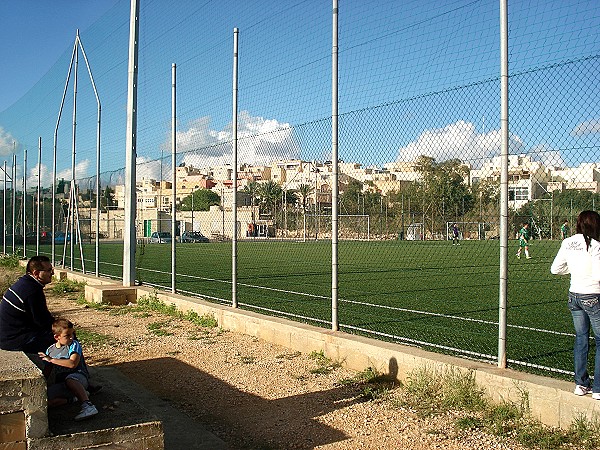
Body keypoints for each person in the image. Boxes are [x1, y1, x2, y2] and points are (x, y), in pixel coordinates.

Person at [551, 210, 600, 399]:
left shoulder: (568, 242)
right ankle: (597, 388)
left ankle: (581, 384)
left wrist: (575, 271)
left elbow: (556, 269)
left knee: (581, 338)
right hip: (593, 295)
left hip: (574, 295)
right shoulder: (596, 246)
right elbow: (597, 275)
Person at [39, 318, 98, 420]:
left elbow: (72, 364)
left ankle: (88, 405)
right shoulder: (50, 350)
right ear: (57, 337)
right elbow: (47, 370)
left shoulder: (74, 345)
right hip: (62, 383)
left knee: (70, 379)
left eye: (72, 334)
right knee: (46, 400)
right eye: (67, 335)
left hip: (78, 378)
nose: (72, 338)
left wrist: (52, 360)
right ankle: (73, 398)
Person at [0, 255, 55, 352]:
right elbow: (42, 321)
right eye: (49, 270)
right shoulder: (31, 292)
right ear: (36, 273)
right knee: (65, 337)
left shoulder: (25, 283)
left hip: (8, 336)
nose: (52, 273)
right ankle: (74, 366)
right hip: (14, 340)